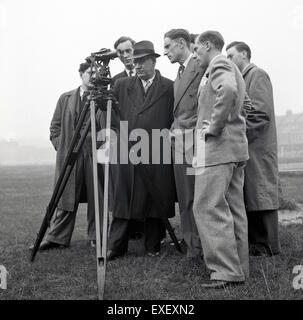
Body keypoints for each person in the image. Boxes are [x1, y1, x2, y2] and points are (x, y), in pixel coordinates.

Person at [107, 40, 176, 260]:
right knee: (123, 197)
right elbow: (111, 118)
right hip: (128, 150)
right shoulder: (121, 86)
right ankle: (116, 246)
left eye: (142, 61)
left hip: (158, 149)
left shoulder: (169, 86)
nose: (137, 66)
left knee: (157, 197)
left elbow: (172, 117)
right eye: (134, 62)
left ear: (153, 61)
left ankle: (152, 245)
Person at [192, 31, 249, 288]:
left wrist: (214, 127)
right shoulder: (228, 66)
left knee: (207, 207)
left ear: (207, 45)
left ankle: (225, 271)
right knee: (233, 209)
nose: (195, 54)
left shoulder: (219, 64)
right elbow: (243, 103)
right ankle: (239, 269)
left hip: (216, 151)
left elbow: (227, 90)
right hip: (233, 151)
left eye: (196, 48)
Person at [30, 62, 105, 251]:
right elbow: (54, 127)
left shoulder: (103, 99)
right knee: (64, 194)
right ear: (81, 74)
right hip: (69, 155)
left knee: (97, 195)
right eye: (89, 73)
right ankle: (57, 237)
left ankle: (97, 236)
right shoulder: (66, 98)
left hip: (94, 155)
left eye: (96, 73)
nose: (93, 77)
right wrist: (61, 145)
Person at [226, 41, 280, 256]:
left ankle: (269, 246)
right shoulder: (241, 78)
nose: (228, 60)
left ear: (244, 54)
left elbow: (260, 114)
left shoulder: (257, 75)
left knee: (261, 195)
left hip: (257, 148)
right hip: (248, 147)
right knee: (251, 195)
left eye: (231, 56)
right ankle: (257, 245)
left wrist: (236, 134)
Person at [163, 28, 203, 258]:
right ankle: (191, 244)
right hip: (179, 142)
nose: (165, 51)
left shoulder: (200, 66)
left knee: (195, 196)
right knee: (184, 196)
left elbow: (207, 103)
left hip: (194, 142)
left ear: (181, 43)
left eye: (168, 46)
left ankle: (198, 247)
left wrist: (188, 127)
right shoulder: (180, 73)